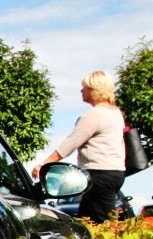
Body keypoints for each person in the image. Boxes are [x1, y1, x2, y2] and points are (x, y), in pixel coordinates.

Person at [32, 71, 126, 223]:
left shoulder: (95, 114)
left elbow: (70, 144)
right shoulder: (115, 113)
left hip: (98, 174)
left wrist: (44, 164)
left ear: (95, 89)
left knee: (104, 224)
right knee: (86, 221)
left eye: (85, 87)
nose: (81, 91)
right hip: (115, 172)